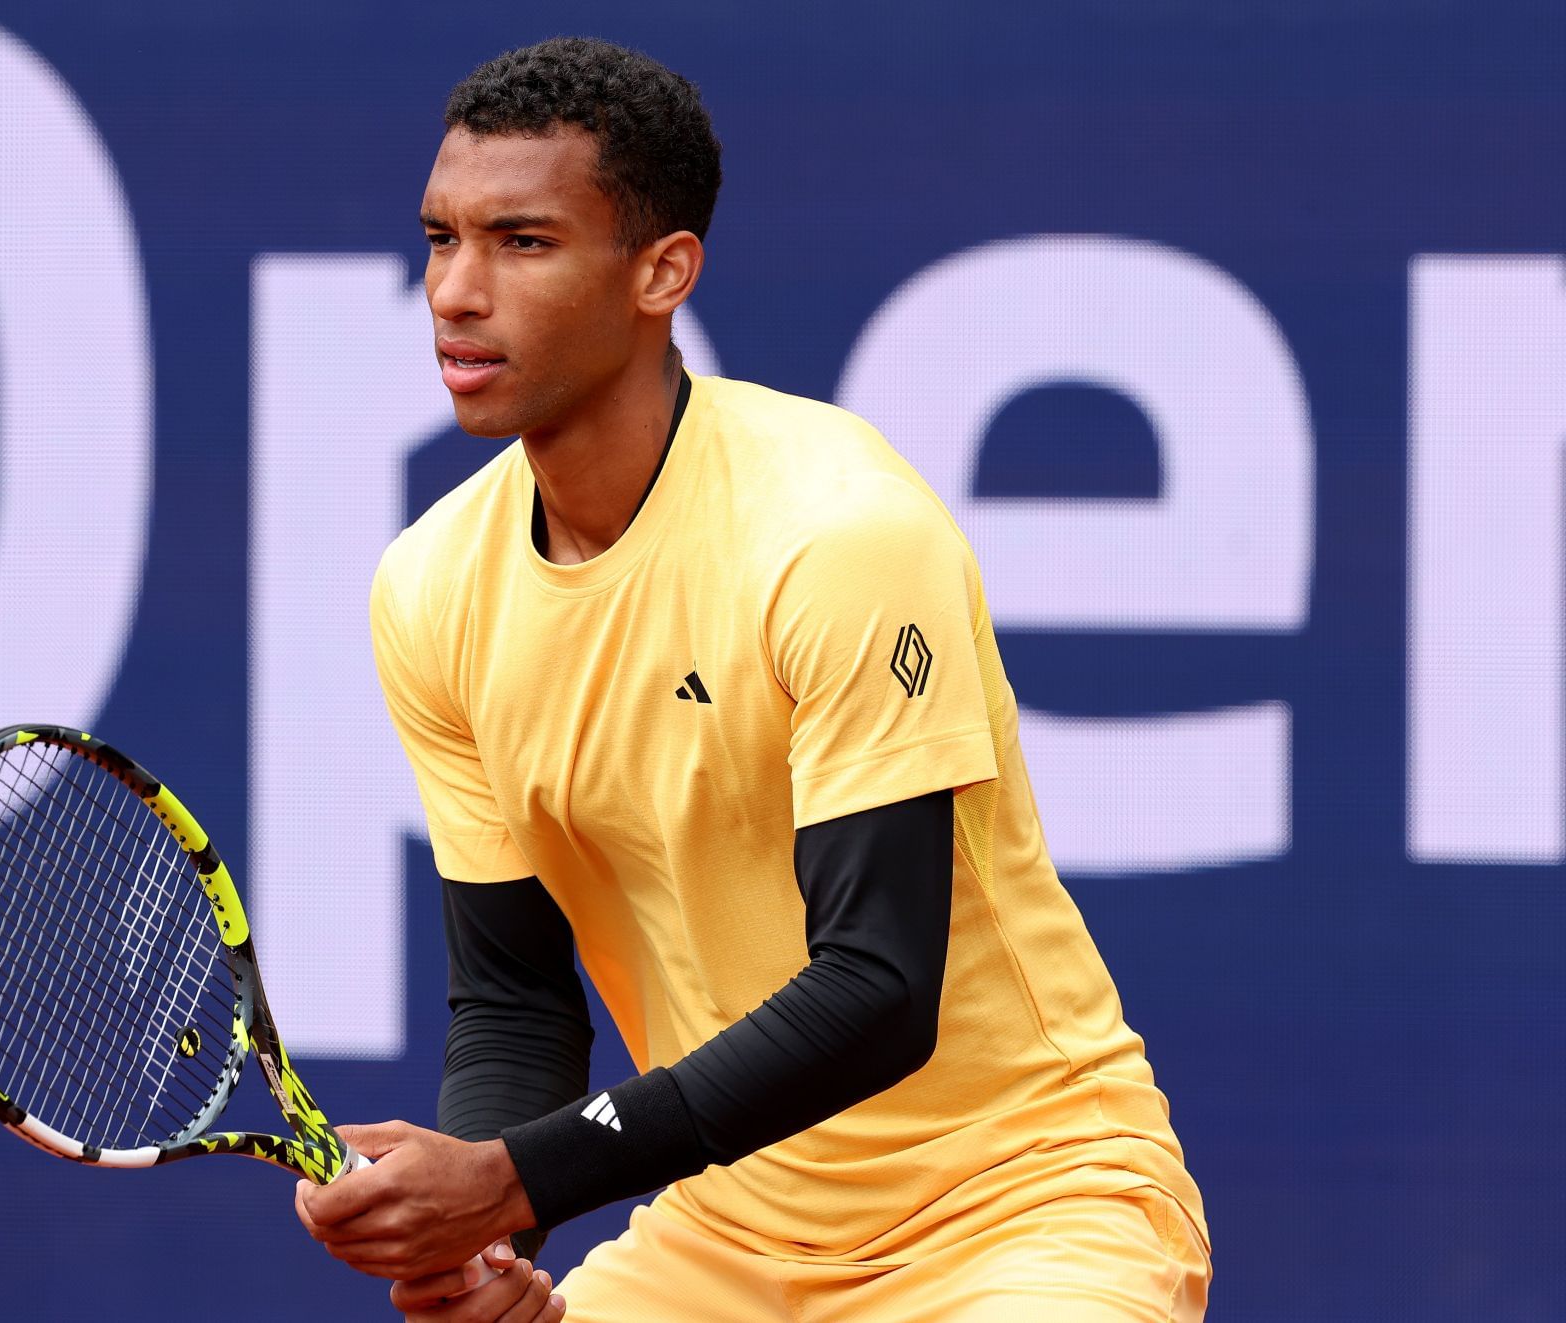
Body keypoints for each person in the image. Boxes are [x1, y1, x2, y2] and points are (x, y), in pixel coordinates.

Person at [294, 35, 1211, 1323]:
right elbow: (510, 993)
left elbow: (876, 992)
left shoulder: (836, 534)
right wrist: (487, 1247)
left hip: (1023, 1214)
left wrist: (510, 1177)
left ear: (661, 273)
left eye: (525, 242)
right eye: (441, 239)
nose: (454, 291)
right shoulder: (431, 587)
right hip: (723, 1246)